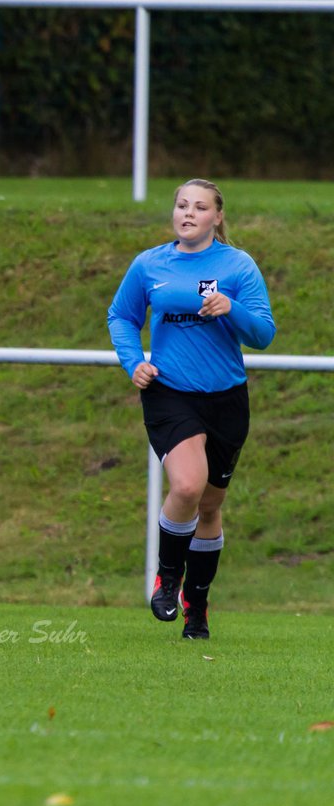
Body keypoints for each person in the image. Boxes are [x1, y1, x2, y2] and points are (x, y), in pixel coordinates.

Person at [107, 179, 275, 640]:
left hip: (226, 398)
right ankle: (167, 579)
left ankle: (196, 606)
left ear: (217, 217)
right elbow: (121, 316)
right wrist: (133, 361)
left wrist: (231, 308)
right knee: (186, 483)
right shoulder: (149, 265)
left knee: (210, 507)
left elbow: (263, 333)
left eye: (200, 207)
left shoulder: (238, 266)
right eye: (182, 205)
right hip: (170, 390)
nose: (188, 213)